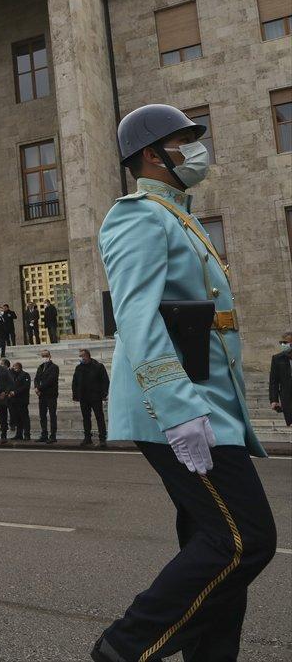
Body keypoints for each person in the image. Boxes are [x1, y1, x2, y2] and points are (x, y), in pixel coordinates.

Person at [91, 103, 276, 662]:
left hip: (211, 406)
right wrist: (178, 410)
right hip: (183, 410)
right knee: (243, 541)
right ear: (153, 154)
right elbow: (140, 318)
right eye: (185, 139)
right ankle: (121, 650)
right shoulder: (138, 215)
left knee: (214, 555)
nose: (198, 147)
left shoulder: (178, 215)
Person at [71, 348, 109, 448]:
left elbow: (105, 381)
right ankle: (87, 438)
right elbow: (75, 382)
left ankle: (102, 439)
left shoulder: (98, 366)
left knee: (99, 417)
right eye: (80, 356)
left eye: (82, 356)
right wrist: (75, 395)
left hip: (95, 396)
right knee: (86, 418)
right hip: (83, 397)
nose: (81, 358)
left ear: (87, 356)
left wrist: (104, 394)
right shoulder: (79, 368)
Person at [34, 350, 59, 444]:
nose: (44, 357)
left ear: (50, 356)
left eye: (46, 355)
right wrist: (36, 388)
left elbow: (50, 380)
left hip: (51, 394)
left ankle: (53, 436)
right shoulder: (40, 367)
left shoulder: (54, 367)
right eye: (43, 356)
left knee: (52, 415)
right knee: (42, 415)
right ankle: (44, 434)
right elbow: (36, 378)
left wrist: (39, 388)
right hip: (42, 395)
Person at [270, 331, 292, 426]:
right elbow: (273, 381)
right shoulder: (277, 359)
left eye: (286, 343)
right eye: (281, 343)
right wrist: (274, 400)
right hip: (286, 396)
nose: (283, 345)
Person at [8, 361, 31, 441]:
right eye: (13, 367)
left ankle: (27, 434)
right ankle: (19, 434)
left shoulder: (25, 375)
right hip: (14, 401)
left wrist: (15, 392)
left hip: (22, 400)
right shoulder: (12, 375)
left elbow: (25, 387)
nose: (14, 368)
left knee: (24, 418)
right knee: (17, 418)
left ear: (19, 367)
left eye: (15, 367)